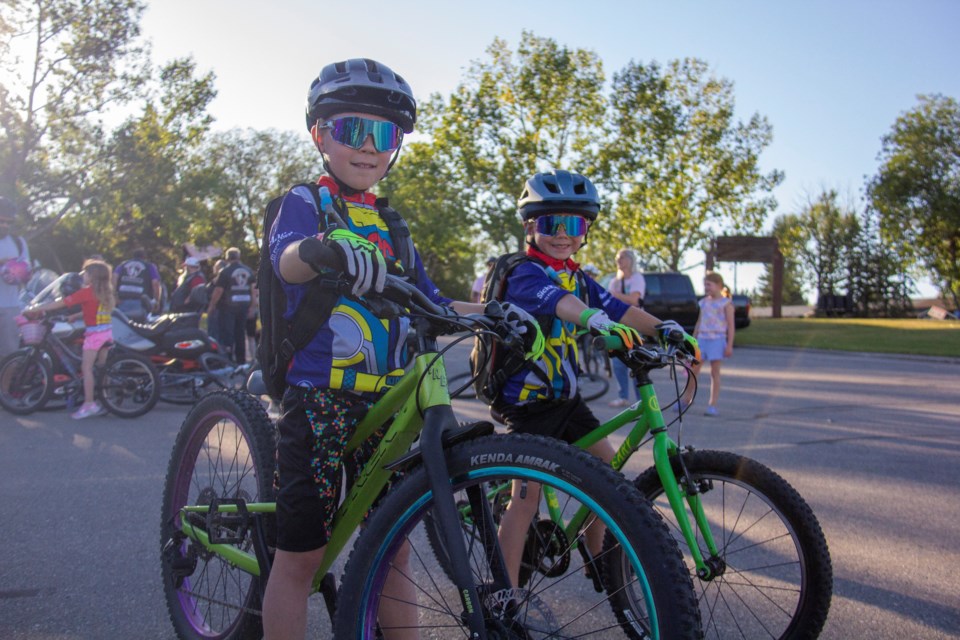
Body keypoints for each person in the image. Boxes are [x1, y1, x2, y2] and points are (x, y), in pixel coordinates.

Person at [261, 58, 525, 640]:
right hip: (319, 399)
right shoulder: (305, 201)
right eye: (352, 129)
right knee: (301, 558)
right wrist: (324, 248)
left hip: (387, 403)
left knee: (394, 548)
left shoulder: (392, 223)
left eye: (384, 133)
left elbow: (432, 300)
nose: (368, 146)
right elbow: (286, 259)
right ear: (320, 134)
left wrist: (496, 312)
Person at [491, 169, 696, 590]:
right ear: (531, 226)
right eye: (552, 224)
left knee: (608, 477)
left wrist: (665, 329)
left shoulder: (578, 276)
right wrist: (592, 319)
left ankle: (599, 559)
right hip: (528, 405)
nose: (563, 234)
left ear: (585, 231)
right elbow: (562, 305)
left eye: (575, 225)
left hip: (566, 400)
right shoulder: (525, 274)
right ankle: (503, 596)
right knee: (524, 501)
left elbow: (619, 308)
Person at [24, 260, 116, 419]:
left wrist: (39, 308)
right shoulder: (105, 292)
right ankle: (105, 400)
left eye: (85, 273)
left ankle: (89, 404)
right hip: (106, 333)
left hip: (94, 335)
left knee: (86, 368)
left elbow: (62, 303)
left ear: (92, 276)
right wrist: (76, 316)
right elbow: (95, 309)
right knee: (102, 368)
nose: (82, 276)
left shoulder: (86, 292)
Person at [681, 271, 735, 416]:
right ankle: (686, 399)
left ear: (719, 285)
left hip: (717, 340)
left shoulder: (726, 304)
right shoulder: (704, 302)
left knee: (714, 372)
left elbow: (731, 326)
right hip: (702, 340)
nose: (706, 288)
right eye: (705, 285)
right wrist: (692, 341)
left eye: (709, 285)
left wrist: (729, 345)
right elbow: (699, 322)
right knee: (693, 370)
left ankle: (712, 404)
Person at [606, 248, 646, 407]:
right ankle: (623, 396)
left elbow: (635, 300)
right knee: (618, 362)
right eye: (617, 257)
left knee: (636, 361)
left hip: (635, 325)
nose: (619, 260)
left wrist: (615, 295)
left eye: (622, 257)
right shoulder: (614, 281)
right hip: (618, 326)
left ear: (630, 260)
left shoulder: (637, 279)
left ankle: (641, 399)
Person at [205, 247, 255, 363]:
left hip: (227, 307)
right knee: (240, 333)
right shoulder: (247, 271)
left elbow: (218, 291)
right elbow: (253, 291)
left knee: (227, 333)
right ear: (239, 257)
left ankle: (227, 359)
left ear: (227, 258)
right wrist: (252, 307)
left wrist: (212, 305)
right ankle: (241, 360)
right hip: (243, 306)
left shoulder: (225, 272)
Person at [0, 196, 31, 358]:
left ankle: (5, 385)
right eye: (1, 221)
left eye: (8, 222)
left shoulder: (18, 242)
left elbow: (28, 270)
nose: (5, 225)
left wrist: (19, 271)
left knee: (9, 354)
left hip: (10, 306)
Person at [113, 247, 161, 320]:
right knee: (139, 327)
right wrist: (156, 301)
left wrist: (114, 297)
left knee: (123, 324)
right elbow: (155, 283)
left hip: (122, 300)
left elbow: (114, 279)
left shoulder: (122, 265)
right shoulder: (149, 266)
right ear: (144, 257)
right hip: (141, 301)